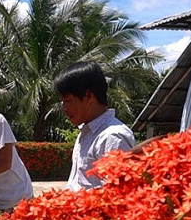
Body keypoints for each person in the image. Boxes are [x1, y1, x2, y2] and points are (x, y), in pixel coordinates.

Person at [53, 61, 135, 191]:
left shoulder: (112, 137)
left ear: (89, 96)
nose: (64, 108)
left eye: (68, 101)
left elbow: (118, 194)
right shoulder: (87, 132)